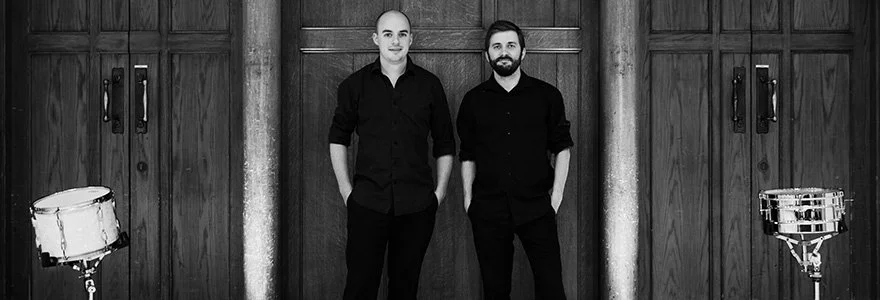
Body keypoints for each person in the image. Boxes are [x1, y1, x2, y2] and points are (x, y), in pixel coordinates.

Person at [328, 9, 455, 300]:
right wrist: (347, 192)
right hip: (366, 204)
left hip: (417, 206)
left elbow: (445, 143)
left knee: (405, 289)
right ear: (376, 39)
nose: (395, 41)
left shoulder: (430, 86)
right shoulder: (354, 85)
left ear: (411, 39)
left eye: (401, 34)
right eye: (388, 34)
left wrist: (439, 193)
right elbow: (338, 138)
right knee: (359, 287)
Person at [456, 20, 573, 300]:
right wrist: (468, 199)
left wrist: (554, 199)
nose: (504, 52)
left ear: (523, 52)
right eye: (496, 47)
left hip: (537, 207)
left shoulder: (547, 96)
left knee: (551, 289)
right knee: (495, 291)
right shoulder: (473, 101)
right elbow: (468, 154)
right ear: (487, 55)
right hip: (488, 210)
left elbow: (562, 148)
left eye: (510, 45)